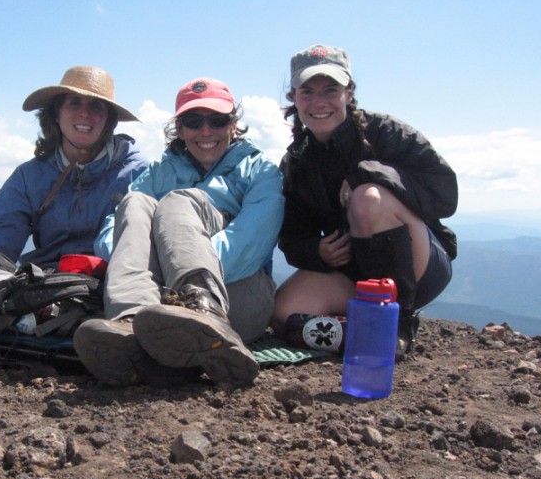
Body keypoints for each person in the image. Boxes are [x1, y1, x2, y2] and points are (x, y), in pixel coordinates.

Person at [73, 77, 284, 387]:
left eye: (217, 120)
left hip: (239, 293)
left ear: (233, 123)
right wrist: (162, 276)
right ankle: (131, 321)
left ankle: (205, 310)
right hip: (160, 301)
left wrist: (167, 268)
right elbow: (111, 234)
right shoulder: (161, 171)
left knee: (178, 202)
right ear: (180, 128)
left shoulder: (260, 172)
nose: (206, 130)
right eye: (193, 121)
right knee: (134, 203)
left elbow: (248, 247)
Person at [272, 44, 458, 356]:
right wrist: (317, 252)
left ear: (349, 92)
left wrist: (368, 173)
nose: (319, 102)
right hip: (355, 274)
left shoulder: (387, 133)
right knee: (284, 312)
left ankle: (398, 324)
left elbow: (445, 194)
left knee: (368, 199)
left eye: (331, 89)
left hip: (417, 268)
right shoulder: (297, 161)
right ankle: (361, 332)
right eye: (307, 92)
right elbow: (291, 236)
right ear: (294, 97)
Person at [0, 66, 149, 269]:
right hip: (45, 285)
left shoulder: (138, 173)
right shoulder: (29, 177)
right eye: (74, 103)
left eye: (96, 107)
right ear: (56, 114)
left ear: (108, 121)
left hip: (117, 285)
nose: (84, 113)